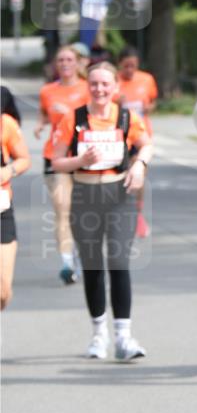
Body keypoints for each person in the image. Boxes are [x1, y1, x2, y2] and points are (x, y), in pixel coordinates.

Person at [51, 62, 153, 362]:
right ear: (88, 86)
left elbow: (146, 145)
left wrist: (138, 165)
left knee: (119, 261)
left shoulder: (125, 117)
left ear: (115, 88)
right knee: (93, 265)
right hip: (85, 193)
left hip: (118, 192)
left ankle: (124, 336)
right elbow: (56, 161)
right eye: (94, 84)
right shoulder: (74, 118)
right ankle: (99, 334)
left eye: (105, 84)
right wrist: (80, 159)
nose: (99, 89)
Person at [34, 45, 89, 284]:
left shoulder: (89, 89)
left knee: (82, 212)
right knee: (61, 208)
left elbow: (95, 119)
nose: (65, 63)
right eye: (60, 60)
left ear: (78, 63)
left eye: (69, 59)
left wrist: (69, 112)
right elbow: (45, 113)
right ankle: (67, 262)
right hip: (55, 156)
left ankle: (79, 252)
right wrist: (40, 124)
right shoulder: (47, 91)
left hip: (83, 156)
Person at [115, 46, 158, 238]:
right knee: (121, 178)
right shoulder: (113, 81)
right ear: (120, 65)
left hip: (141, 135)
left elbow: (153, 101)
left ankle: (138, 215)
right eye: (126, 66)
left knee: (139, 177)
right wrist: (118, 103)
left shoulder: (146, 79)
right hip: (119, 137)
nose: (130, 70)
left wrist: (149, 107)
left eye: (133, 66)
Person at [1, 113, 31, 310]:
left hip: (1, 210)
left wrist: (8, 171)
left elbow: (23, 159)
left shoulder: (5, 123)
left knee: (2, 290)